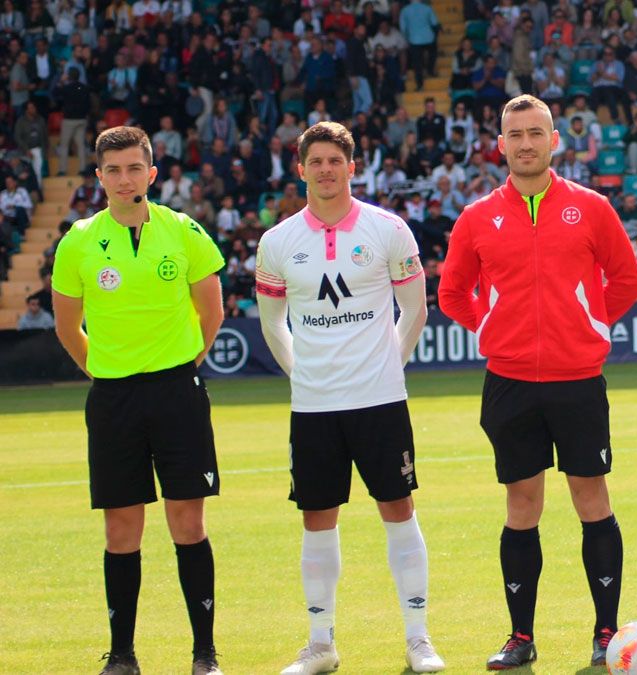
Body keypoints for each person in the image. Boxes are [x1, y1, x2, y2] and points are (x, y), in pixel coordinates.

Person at [439, 94, 637, 670]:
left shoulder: (591, 207)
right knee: (521, 505)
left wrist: (589, 320)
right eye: (514, 135)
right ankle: (520, 638)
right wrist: (494, 325)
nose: (525, 143)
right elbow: (453, 293)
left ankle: (606, 633)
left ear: (555, 140)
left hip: (579, 380)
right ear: (499, 144)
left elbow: (626, 278)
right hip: (510, 384)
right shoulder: (477, 217)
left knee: (591, 501)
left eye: (535, 133)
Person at [255, 121, 446, 675]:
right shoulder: (278, 242)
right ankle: (321, 644)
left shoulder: (389, 230)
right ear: (301, 169)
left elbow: (415, 311)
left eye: (334, 161)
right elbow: (273, 326)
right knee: (318, 517)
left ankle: (418, 638)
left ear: (352, 167)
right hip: (314, 407)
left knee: (399, 508)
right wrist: (302, 375)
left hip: (380, 401)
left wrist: (390, 364)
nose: (325, 170)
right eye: (314, 161)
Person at [50, 126, 226, 675]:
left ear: (152, 173)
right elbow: (66, 327)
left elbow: (211, 314)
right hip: (114, 400)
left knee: (187, 525)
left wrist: (184, 367)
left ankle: (204, 653)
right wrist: (104, 371)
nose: (125, 179)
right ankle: (123, 655)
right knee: (121, 529)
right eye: (113, 170)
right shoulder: (78, 240)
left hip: (178, 394)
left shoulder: (185, 231)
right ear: (98, 177)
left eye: (134, 169)